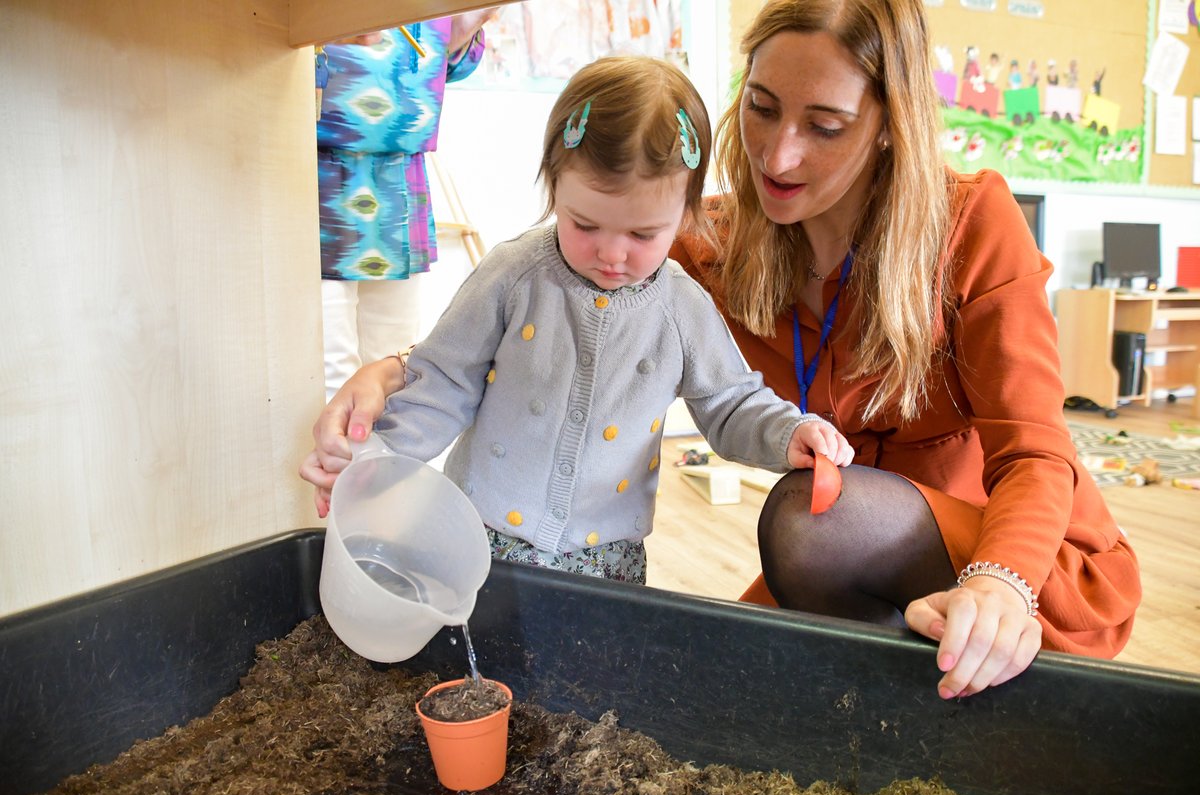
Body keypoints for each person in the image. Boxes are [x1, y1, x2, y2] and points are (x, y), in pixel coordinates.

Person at [301, 0, 1141, 701]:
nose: (778, 156)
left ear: (891, 125)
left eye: (827, 125)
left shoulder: (971, 226)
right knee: (728, 668)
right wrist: (396, 370)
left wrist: (1001, 580)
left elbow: (1035, 451)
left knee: (814, 519)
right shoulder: (703, 252)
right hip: (827, 563)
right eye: (763, 106)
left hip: (1003, 559)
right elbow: (545, 293)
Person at [318, 55, 853, 585]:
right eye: (585, 224)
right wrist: (376, 458)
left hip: (606, 558)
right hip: (481, 533)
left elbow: (730, 403)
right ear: (554, 186)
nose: (612, 254)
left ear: (686, 214)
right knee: (479, 663)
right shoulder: (513, 274)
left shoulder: (683, 308)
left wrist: (790, 431)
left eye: (643, 235)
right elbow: (445, 379)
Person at [317, 13, 494, 402]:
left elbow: (449, 63)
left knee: (392, 367)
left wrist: (462, 31)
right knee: (321, 371)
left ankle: (379, 461)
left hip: (400, 178)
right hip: (313, 172)